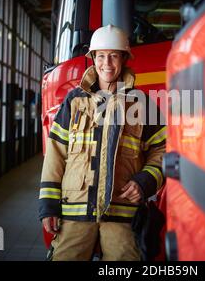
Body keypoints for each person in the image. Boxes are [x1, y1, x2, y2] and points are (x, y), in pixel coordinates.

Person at [38, 24, 166, 261]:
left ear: (124, 59)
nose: (107, 63)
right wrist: (48, 205)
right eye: (101, 56)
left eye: (114, 56)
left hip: (122, 214)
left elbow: (163, 149)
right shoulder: (74, 101)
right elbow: (56, 152)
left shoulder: (141, 104)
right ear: (93, 58)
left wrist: (146, 180)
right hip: (74, 213)